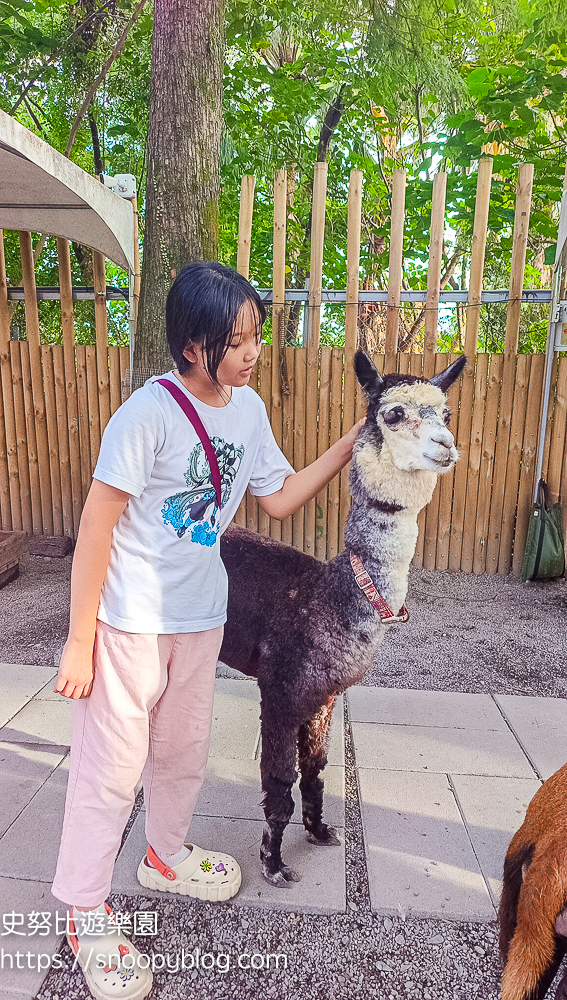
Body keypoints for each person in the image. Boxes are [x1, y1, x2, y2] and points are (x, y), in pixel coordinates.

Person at [51, 261, 364, 1000]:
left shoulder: (247, 413)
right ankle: (84, 913)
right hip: (129, 622)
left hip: (200, 620)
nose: (253, 351)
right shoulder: (146, 413)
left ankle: (162, 856)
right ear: (194, 345)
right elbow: (96, 524)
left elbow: (280, 499)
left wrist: (351, 442)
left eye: (257, 335)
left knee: (182, 754)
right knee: (110, 772)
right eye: (238, 339)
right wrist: (77, 636)